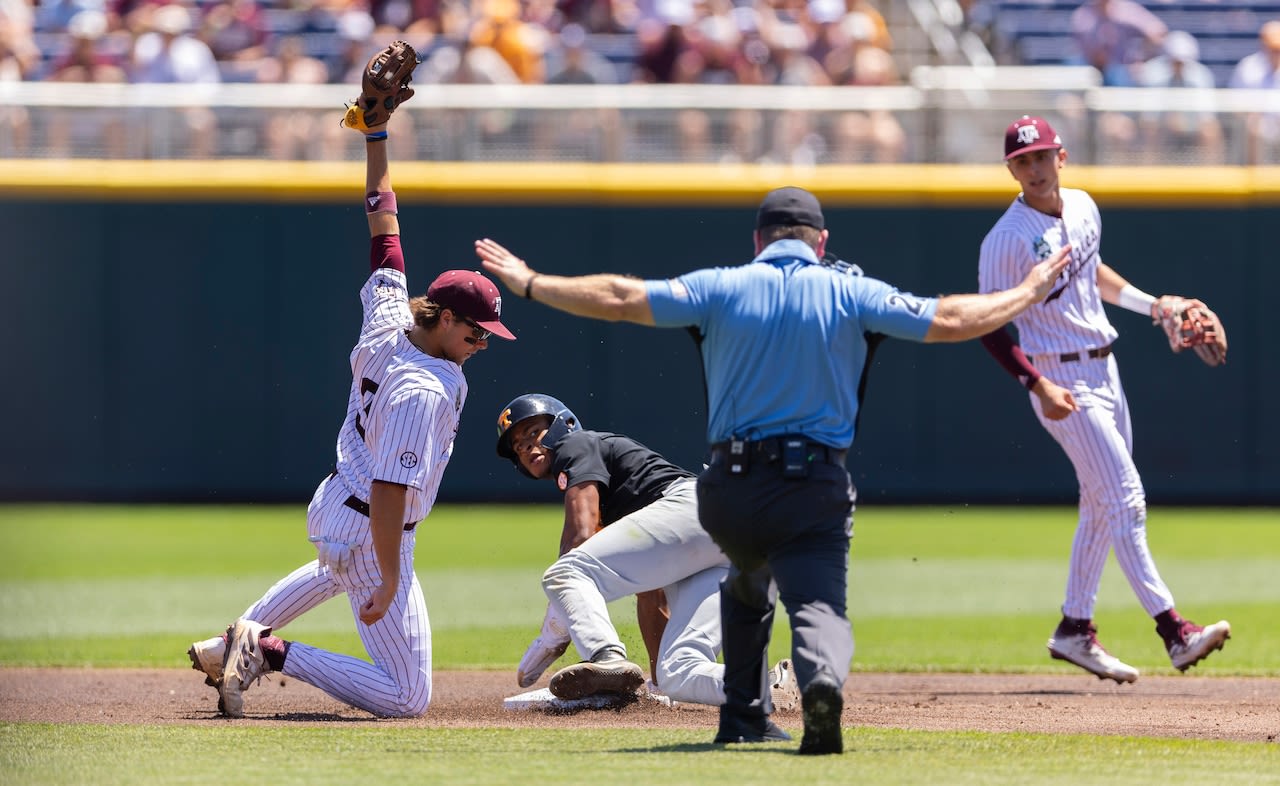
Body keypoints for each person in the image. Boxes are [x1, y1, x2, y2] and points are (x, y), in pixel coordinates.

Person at [474, 187, 1072, 754]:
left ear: (758, 241)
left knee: (720, 596)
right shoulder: (849, 292)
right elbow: (951, 317)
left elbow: (622, 297)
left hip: (734, 483)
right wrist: (1030, 288)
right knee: (810, 610)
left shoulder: (725, 286)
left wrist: (529, 282)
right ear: (821, 240)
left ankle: (740, 716)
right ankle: (812, 709)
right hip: (820, 484)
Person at [185, 60, 516, 718]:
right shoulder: (425, 386)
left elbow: (384, 224)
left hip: (339, 502)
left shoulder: (392, 318)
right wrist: (392, 575)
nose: (483, 343)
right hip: (372, 523)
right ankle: (264, 650)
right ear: (446, 319)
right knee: (406, 697)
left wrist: (375, 134)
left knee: (332, 569)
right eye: (477, 332)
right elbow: (395, 490)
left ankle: (226, 643)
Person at [977, 115, 1231, 685]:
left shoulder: (1085, 207)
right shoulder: (1006, 239)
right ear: (1011, 170)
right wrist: (1034, 385)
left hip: (1104, 368)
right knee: (1127, 499)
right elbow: (990, 324)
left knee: (1099, 503)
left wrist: (1154, 305)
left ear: (1061, 157)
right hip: (1058, 380)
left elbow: (1093, 278)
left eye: (1042, 156)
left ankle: (1074, 628)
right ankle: (1175, 631)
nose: (1035, 169)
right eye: (1023, 161)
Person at [494, 393, 800, 710]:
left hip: (705, 510)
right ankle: (767, 687)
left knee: (566, 571)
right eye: (518, 446)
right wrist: (654, 686)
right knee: (677, 673)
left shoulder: (578, 444)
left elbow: (579, 536)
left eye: (533, 432)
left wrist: (554, 631)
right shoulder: (633, 510)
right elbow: (652, 594)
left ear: (564, 424)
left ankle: (606, 656)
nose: (528, 447)